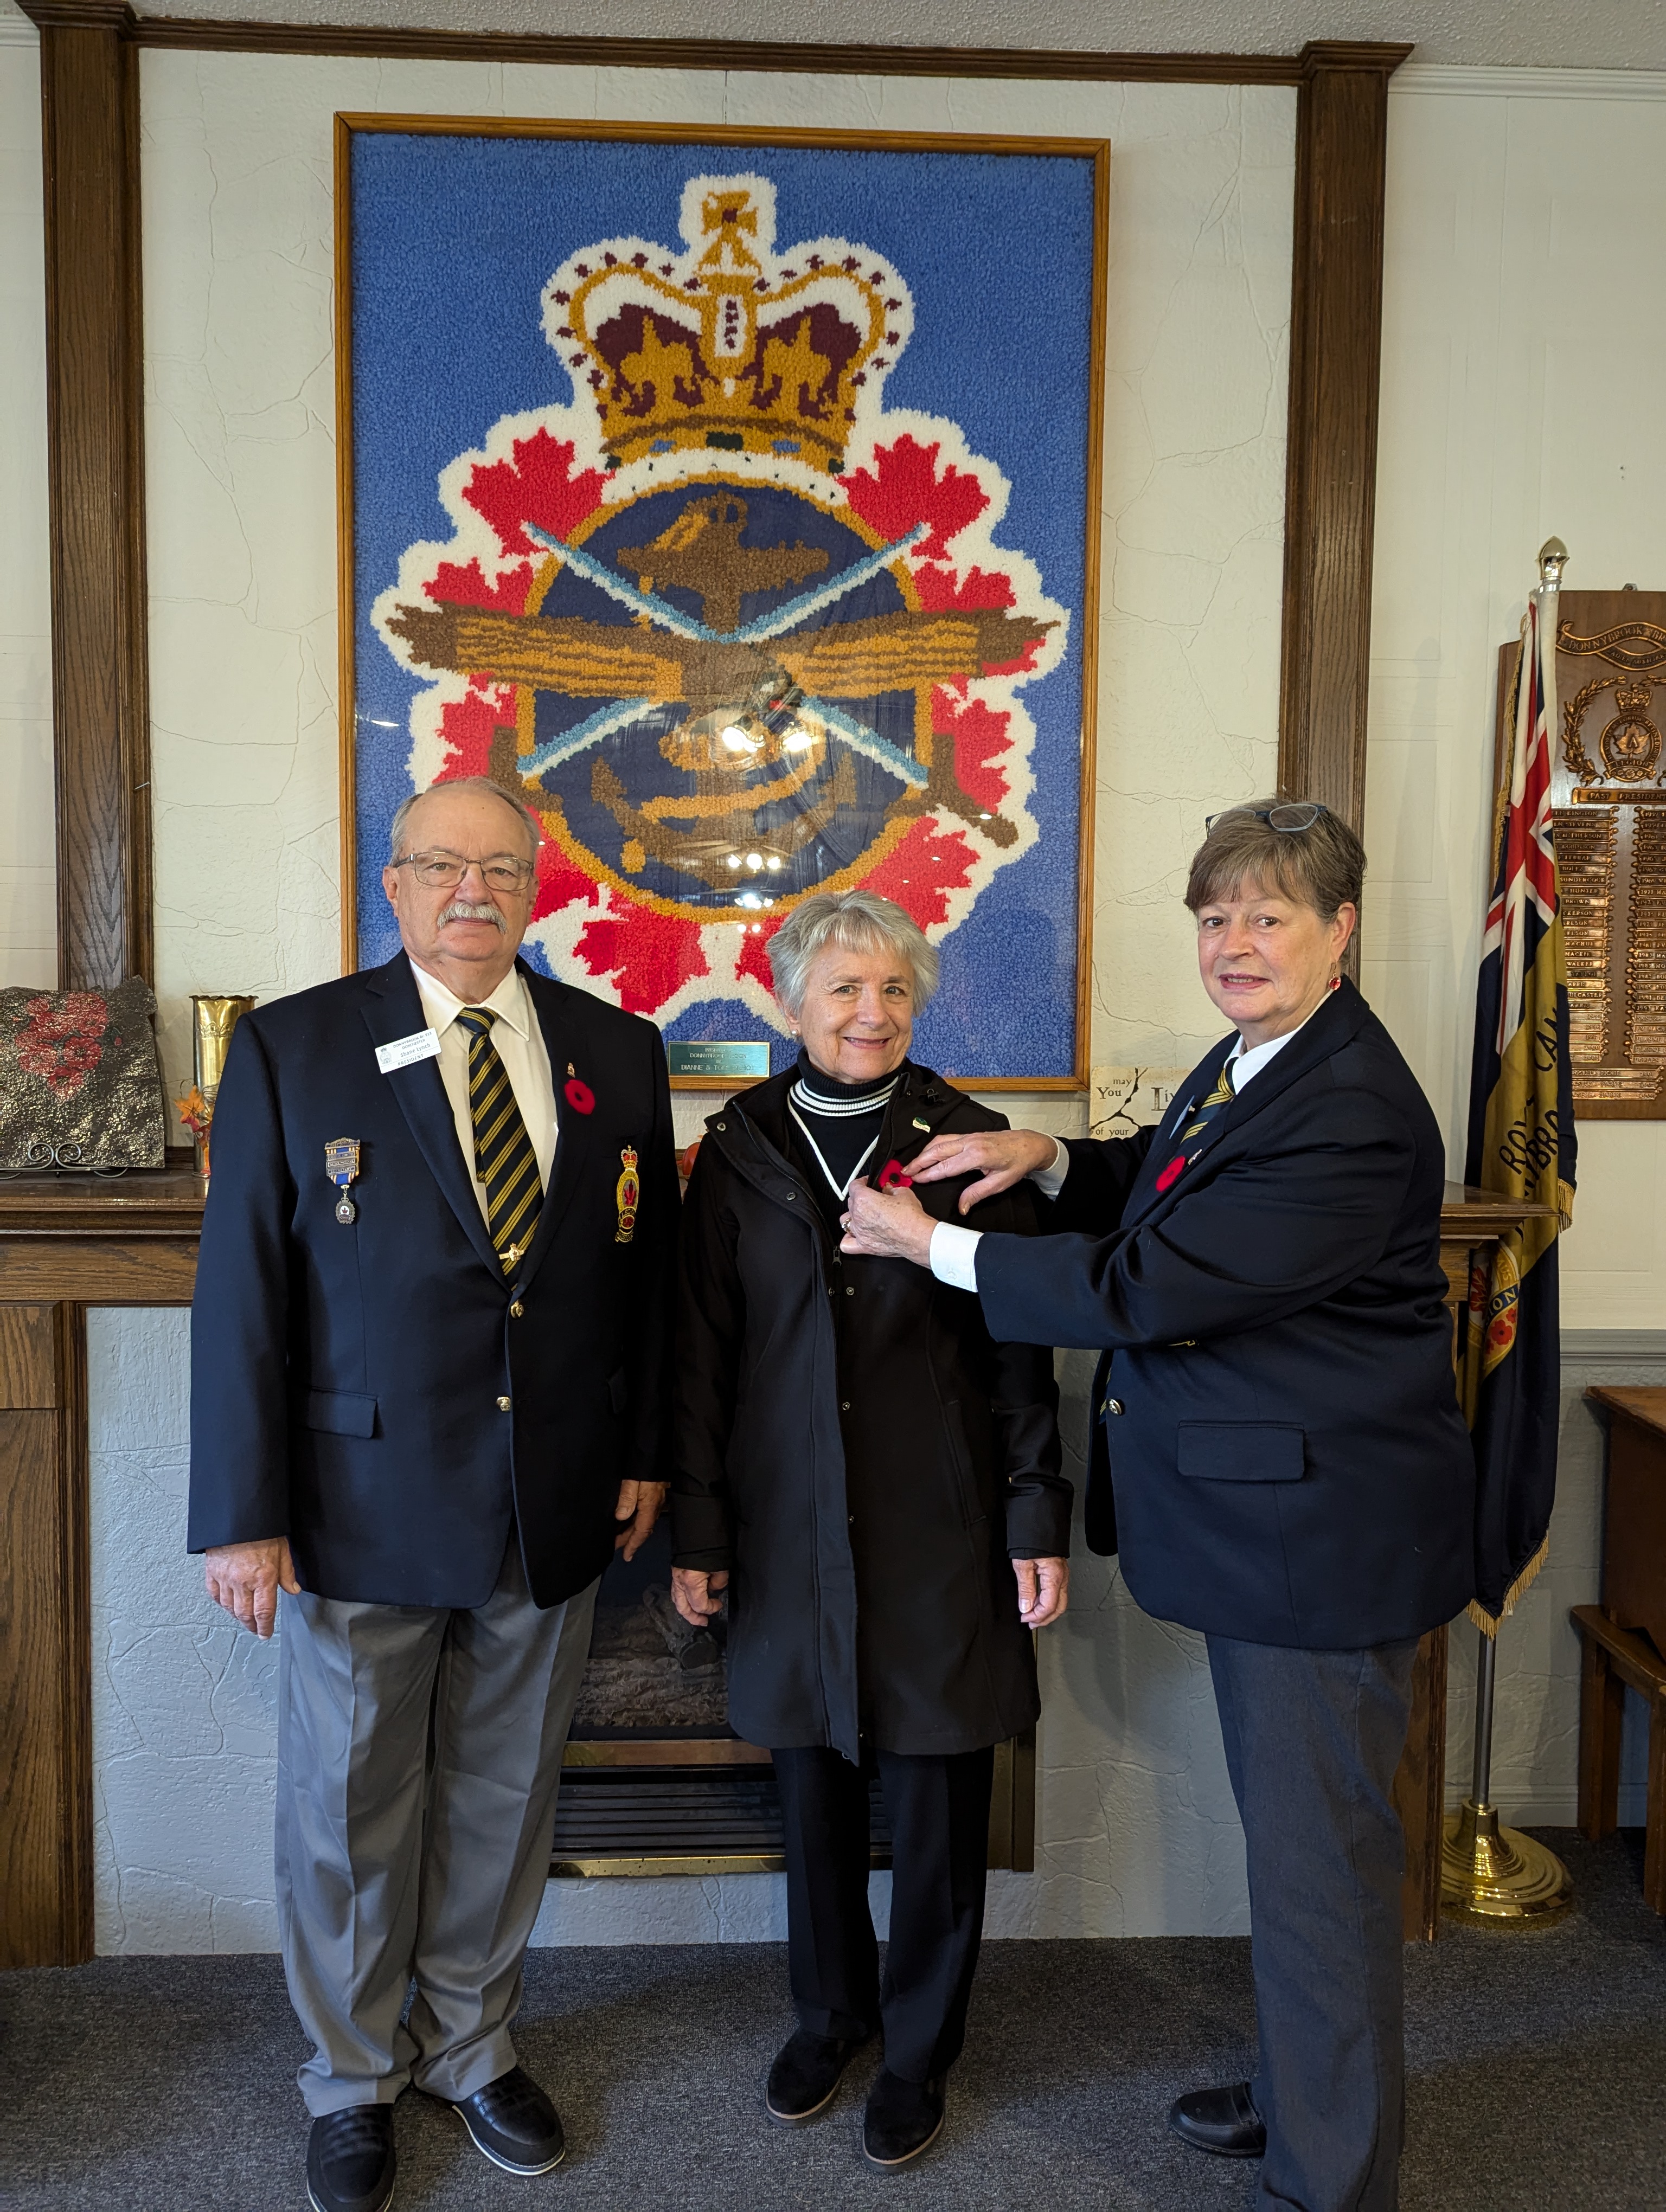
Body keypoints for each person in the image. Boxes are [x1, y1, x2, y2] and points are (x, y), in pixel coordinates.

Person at [843, 802, 1475, 2212]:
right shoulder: (1265, 1060)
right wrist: (1049, 1161)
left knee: (1323, 1873)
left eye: (1269, 917)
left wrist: (928, 1241)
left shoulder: (1354, 1110)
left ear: (1341, 929)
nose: (1235, 945)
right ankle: (1314, 2095)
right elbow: (1165, 1193)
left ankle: (1333, 2178)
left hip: (1318, 1553)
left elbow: (1149, 1289)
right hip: (1279, 1539)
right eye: (1216, 918)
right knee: (1306, 1859)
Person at [187, 776, 677, 2212]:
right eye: (443, 866)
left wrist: (642, 1448)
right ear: (391, 885)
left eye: (504, 867)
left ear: (540, 888)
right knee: (350, 1807)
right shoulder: (295, 1047)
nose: (475, 889)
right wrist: (239, 1510)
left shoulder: (615, 1048)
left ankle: (469, 2044)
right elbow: (243, 1298)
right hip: (358, 1496)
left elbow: (639, 1282)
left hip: (555, 1491)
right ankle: (351, 2077)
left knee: (506, 1789)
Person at [670, 889, 1071, 2170]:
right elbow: (701, 1357)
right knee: (814, 1784)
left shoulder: (970, 1146)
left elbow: (1022, 1354)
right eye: (844, 989)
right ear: (791, 1001)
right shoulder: (735, 1146)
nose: (871, 1012)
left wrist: (1033, 1517)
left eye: (894, 989)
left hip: (940, 1524)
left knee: (944, 1798)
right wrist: (700, 1529)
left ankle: (916, 2052)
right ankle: (829, 2015)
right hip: (787, 1523)